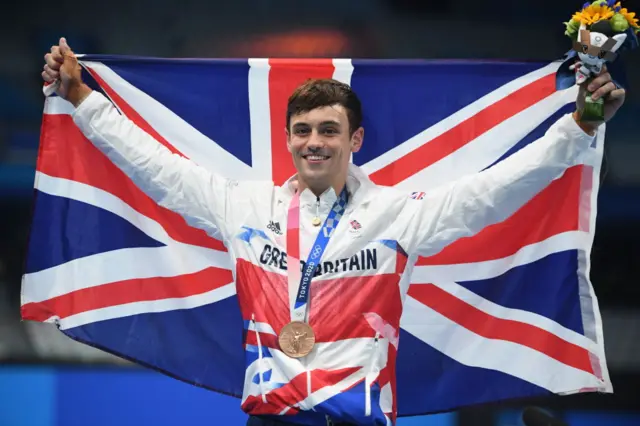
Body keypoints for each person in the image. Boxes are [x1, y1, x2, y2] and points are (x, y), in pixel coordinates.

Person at [42, 37, 625, 426]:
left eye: (328, 129)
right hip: (270, 419)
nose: (313, 141)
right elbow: (154, 166)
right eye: (302, 130)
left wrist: (577, 128)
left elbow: (496, 191)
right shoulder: (244, 206)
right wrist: (81, 98)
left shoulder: (400, 214)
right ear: (290, 139)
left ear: (355, 141)